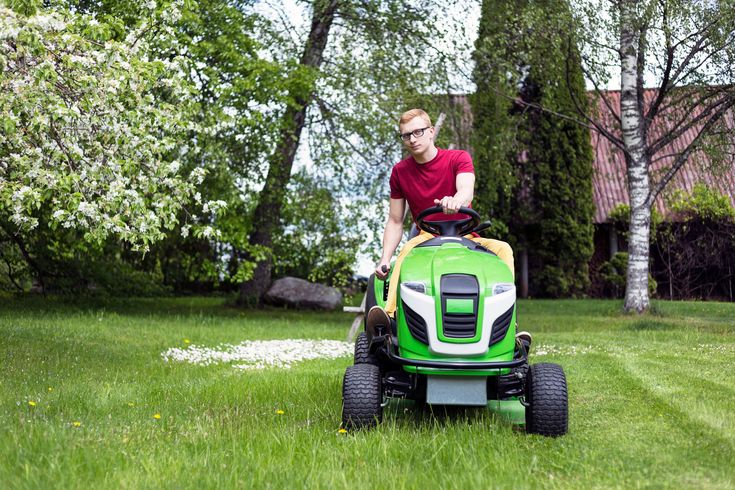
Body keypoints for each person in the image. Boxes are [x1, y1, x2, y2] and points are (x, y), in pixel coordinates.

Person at [366, 108, 531, 351]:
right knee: (408, 251)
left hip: (467, 237)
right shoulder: (400, 172)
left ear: (431, 132)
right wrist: (384, 259)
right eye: (406, 135)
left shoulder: (457, 158)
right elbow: (395, 220)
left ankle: (506, 325)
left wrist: (457, 200)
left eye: (418, 132)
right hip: (426, 238)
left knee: (503, 249)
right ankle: (391, 317)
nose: (412, 139)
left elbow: (466, 189)